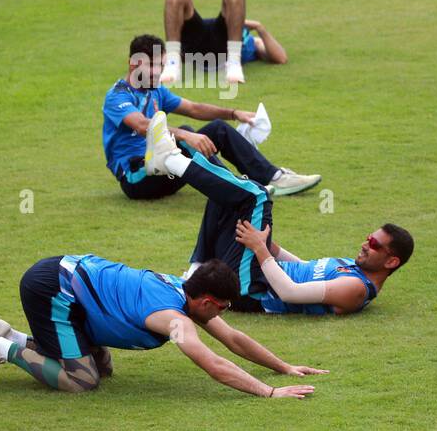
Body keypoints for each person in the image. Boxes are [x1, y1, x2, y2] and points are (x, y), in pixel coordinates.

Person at [141, 111, 413, 316]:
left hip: (252, 292)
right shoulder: (351, 267)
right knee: (229, 194)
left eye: (375, 244)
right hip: (256, 274)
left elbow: (290, 292)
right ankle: (194, 275)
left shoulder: (357, 289)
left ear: (391, 262)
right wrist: (270, 246)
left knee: (257, 194)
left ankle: (170, 160)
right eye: (369, 237)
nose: (366, 243)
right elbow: (303, 268)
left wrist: (260, 249)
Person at [0, 258, 323, 398]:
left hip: (71, 289)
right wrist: (269, 391)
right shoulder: (174, 319)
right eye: (222, 307)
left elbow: (233, 339)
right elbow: (212, 363)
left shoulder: (184, 292)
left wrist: (283, 367)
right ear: (205, 301)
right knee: (83, 380)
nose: (224, 314)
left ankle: (13, 336)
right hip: (53, 290)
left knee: (103, 367)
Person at [104, 35, 320, 200]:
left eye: (160, 65)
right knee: (186, 138)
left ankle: (273, 177)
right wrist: (186, 137)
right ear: (133, 64)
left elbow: (194, 108)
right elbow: (143, 126)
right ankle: (241, 188)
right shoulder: (118, 96)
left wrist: (234, 114)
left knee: (214, 128)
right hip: (137, 178)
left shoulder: (155, 89)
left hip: (162, 167)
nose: (157, 72)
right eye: (152, 65)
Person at [158, 0, 287, 86]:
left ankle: (234, 62)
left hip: (224, 47)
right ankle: (172, 62)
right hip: (198, 40)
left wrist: (259, 27)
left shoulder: (252, 42)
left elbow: (281, 58)